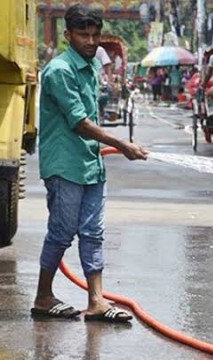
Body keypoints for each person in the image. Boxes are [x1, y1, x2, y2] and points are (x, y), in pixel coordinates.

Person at [31, 4, 148, 323]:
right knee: (61, 232)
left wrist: (108, 147)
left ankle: (96, 300)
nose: (91, 41)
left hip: (90, 164)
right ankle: (43, 296)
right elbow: (79, 122)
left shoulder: (90, 66)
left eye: (95, 35)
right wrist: (121, 144)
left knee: (93, 233)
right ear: (68, 35)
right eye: (84, 35)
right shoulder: (59, 71)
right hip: (65, 164)